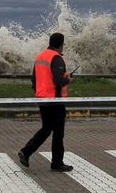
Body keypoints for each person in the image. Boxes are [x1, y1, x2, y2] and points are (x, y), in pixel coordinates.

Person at [17, 32, 74, 172]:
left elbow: (34, 80)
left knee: (47, 128)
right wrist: (68, 79)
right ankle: (57, 163)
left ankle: (26, 152)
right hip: (55, 100)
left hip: (42, 99)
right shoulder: (57, 59)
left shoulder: (40, 57)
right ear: (61, 45)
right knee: (58, 132)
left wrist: (40, 92)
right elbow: (58, 81)